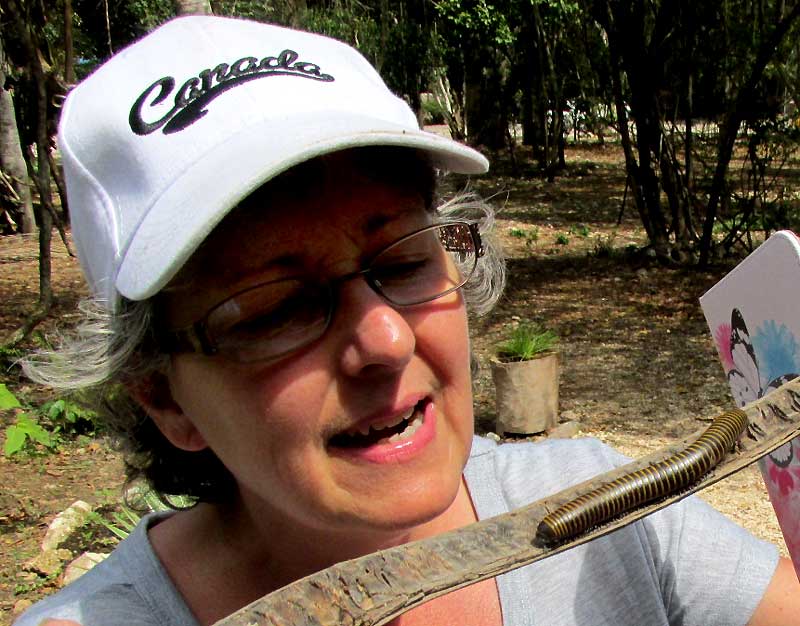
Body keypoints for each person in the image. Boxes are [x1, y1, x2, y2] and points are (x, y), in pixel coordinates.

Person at [14, 14, 800, 626]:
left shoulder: (602, 501)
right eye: (276, 309)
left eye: (402, 263)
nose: (387, 339)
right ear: (164, 397)